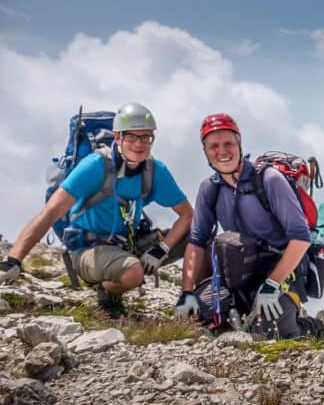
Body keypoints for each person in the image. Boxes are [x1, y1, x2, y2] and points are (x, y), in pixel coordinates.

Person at [0, 103, 193, 317]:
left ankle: (200, 302)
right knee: (133, 272)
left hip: (127, 241)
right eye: (131, 137)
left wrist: (162, 249)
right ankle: (108, 291)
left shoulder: (155, 171)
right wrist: (13, 260)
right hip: (88, 249)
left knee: (198, 233)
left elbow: (187, 215)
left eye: (145, 137)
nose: (139, 144)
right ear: (117, 137)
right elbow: (50, 213)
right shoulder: (95, 166)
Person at [175, 113, 324, 339]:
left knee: (270, 334)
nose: (222, 151)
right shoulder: (210, 188)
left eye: (228, 144)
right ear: (205, 152)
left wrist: (272, 284)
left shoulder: (269, 180)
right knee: (197, 321)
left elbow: (301, 238)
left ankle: (309, 327)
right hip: (236, 273)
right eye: (214, 146)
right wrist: (186, 293)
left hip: (278, 275)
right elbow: (196, 242)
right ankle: (239, 312)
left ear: (239, 144)